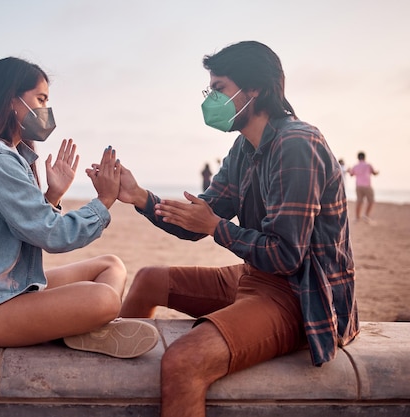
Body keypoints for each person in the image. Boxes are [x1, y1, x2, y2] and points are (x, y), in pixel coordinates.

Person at [115, 41, 359, 416]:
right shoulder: (243, 150)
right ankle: (115, 387)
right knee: (148, 279)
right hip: (256, 276)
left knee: (184, 360)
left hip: (302, 293)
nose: (211, 100)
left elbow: (286, 255)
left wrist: (216, 227)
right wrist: (140, 197)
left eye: (219, 89)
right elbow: (197, 221)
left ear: (255, 89)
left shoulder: (296, 145)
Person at [0, 57, 158, 358]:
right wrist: (103, 202)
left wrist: (52, 194)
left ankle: (80, 330)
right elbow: (52, 235)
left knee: (111, 266)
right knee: (104, 300)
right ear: (12, 100)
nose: (46, 110)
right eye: (41, 99)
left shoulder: (6, 154)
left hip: (11, 289)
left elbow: (21, 228)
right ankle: (80, 328)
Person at [348, 151, 379, 222]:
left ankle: (357, 217)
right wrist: (377, 172)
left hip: (358, 186)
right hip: (367, 185)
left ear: (358, 158)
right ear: (365, 157)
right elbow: (374, 173)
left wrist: (349, 170)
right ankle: (366, 215)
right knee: (371, 200)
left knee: (359, 201)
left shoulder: (355, 166)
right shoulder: (368, 165)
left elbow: (351, 174)